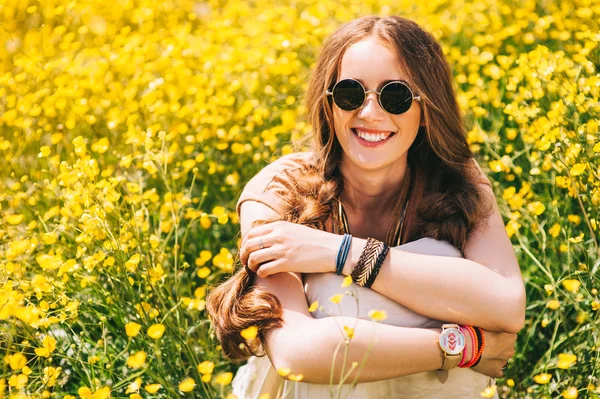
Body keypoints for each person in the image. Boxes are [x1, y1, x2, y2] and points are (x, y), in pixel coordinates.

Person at [206, 15, 526, 399]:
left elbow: (506, 305)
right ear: (328, 105)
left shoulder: (455, 180)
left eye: (395, 96)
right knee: (332, 291)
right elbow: (297, 354)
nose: (370, 113)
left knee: (434, 257)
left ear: (427, 110)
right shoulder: (278, 190)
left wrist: (338, 252)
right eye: (350, 94)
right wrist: (462, 346)